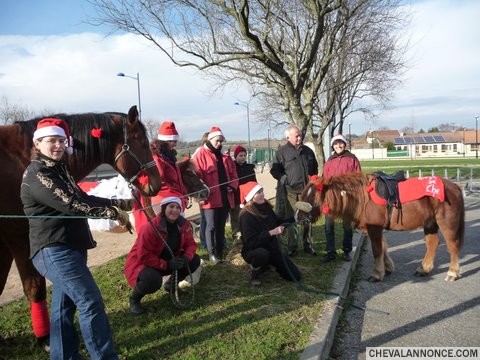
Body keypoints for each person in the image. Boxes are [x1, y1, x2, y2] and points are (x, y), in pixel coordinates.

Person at [20, 118, 132, 360]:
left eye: (61, 140)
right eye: (52, 141)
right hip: (53, 250)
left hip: (70, 248)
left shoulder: (58, 169)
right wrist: (113, 213)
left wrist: (120, 203)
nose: (58, 145)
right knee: (90, 302)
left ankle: (63, 356)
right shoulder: (38, 173)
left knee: (64, 306)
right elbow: (73, 204)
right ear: (38, 143)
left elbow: (84, 197)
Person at [125, 195, 202, 314]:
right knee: (152, 280)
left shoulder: (184, 225)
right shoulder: (150, 228)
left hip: (170, 261)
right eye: (171, 206)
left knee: (194, 260)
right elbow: (144, 255)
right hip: (144, 264)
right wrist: (166, 265)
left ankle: (171, 285)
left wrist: (187, 256)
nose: (175, 210)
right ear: (164, 208)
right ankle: (135, 299)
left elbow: (191, 244)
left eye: (178, 208)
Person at [239, 181, 302, 286]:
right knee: (262, 254)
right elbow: (251, 242)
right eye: (258, 192)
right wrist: (271, 233)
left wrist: (294, 218)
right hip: (253, 251)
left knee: (296, 276)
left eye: (262, 191)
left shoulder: (266, 207)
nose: (262, 194)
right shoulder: (246, 216)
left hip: (272, 248)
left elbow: (279, 222)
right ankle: (256, 271)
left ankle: (269, 264)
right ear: (250, 197)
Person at [270, 124, 318, 257]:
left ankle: (308, 245)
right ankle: (293, 246)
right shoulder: (282, 152)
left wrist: (313, 180)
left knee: (308, 217)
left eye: (300, 135)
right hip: (291, 191)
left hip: (307, 191)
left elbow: (315, 167)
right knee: (292, 218)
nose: (299, 137)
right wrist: (285, 179)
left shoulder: (308, 151)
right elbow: (274, 170)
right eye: (296, 135)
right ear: (288, 137)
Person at [192, 126, 238, 264]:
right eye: (217, 140)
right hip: (209, 198)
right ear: (211, 139)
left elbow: (233, 173)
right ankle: (211, 253)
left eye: (221, 140)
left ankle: (220, 251)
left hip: (225, 195)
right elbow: (195, 177)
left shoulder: (225, 155)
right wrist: (201, 193)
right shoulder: (200, 154)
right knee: (210, 225)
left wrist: (232, 186)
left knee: (221, 225)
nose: (219, 143)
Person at [132, 121, 189, 232]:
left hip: (175, 197)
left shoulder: (169, 157)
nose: (175, 144)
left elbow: (178, 180)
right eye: (173, 141)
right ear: (165, 141)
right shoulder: (157, 158)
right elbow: (158, 180)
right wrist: (176, 197)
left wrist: (184, 195)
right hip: (164, 198)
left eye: (175, 140)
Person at [321, 133, 362, 262]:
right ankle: (330, 251)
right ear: (333, 146)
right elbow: (324, 178)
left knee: (347, 226)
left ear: (344, 144)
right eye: (336, 143)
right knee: (329, 226)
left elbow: (358, 178)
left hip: (347, 198)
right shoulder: (330, 160)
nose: (338, 145)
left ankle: (347, 251)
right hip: (331, 198)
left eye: (341, 143)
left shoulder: (352, 159)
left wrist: (349, 190)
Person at [230, 145, 257, 239]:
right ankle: (236, 235)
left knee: (248, 216)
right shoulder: (232, 168)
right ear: (236, 156)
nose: (243, 157)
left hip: (248, 197)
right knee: (236, 217)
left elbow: (254, 182)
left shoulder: (249, 168)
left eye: (244, 155)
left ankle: (249, 234)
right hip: (236, 197)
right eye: (240, 155)